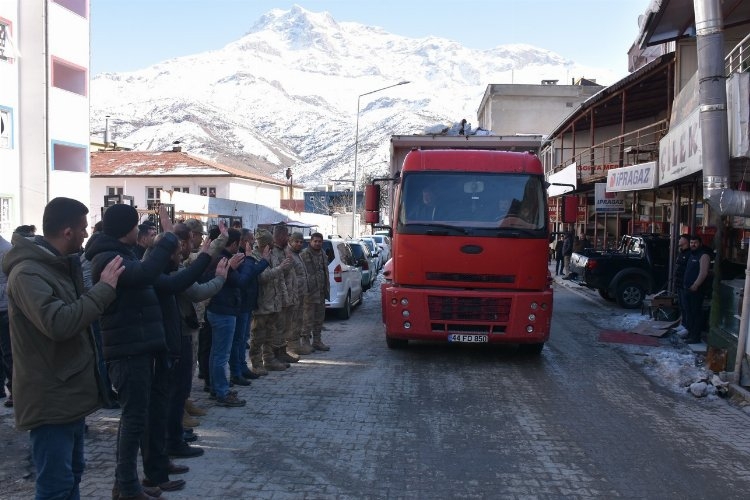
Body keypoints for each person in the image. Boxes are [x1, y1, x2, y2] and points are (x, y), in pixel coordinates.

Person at [3, 197, 125, 500]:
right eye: (83, 229)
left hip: (67, 393)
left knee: (72, 474)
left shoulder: (57, 267)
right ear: (67, 231)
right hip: (49, 397)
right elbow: (59, 323)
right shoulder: (29, 273)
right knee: (55, 484)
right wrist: (104, 290)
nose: (87, 235)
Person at [86, 203, 181, 500]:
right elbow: (145, 275)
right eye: (136, 225)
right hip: (128, 351)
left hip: (137, 346)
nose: (138, 230)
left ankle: (128, 483)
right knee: (133, 420)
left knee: (138, 418)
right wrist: (168, 238)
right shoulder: (107, 257)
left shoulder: (121, 253)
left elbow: (145, 273)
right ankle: (125, 486)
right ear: (127, 229)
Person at [249, 229, 291, 374]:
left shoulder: (272, 255)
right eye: (270, 242)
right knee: (257, 336)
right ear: (264, 244)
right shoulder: (253, 257)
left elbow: (279, 279)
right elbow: (262, 277)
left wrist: (284, 298)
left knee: (270, 335)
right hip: (262, 304)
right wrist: (280, 268)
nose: (273, 244)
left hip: (274, 303)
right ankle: (256, 363)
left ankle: (269, 360)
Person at [300, 232, 331, 351]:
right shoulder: (304, 255)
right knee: (307, 319)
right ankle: (305, 342)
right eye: (315, 241)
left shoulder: (322, 254)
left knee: (319, 319)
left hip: (321, 292)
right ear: (310, 242)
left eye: (320, 242)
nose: (317, 243)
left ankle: (317, 341)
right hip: (309, 293)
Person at [286, 232, 313, 356]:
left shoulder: (298, 255)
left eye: (301, 242)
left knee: (299, 321)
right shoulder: (288, 254)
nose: (299, 244)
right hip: (293, 294)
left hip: (301, 294)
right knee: (292, 322)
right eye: (296, 241)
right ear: (290, 242)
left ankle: (296, 345)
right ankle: (291, 347)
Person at [682, 234, 712, 344]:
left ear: (700, 243)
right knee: (688, 312)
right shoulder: (691, 254)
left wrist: (696, 284)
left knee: (695, 313)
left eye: (695, 243)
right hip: (687, 288)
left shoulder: (703, 255)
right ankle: (690, 333)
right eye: (691, 243)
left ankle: (695, 336)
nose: (692, 245)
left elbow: (703, 273)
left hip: (696, 290)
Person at [0, 233, 12, 406]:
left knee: (8, 351)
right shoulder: (7, 248)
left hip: (4, 308)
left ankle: (14, 390)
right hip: (4, 305)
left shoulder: (6, 249)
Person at [673, 234, 691, 329]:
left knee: (686, 306)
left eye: (681, 239)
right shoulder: (681, 252)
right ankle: (683, 324)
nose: (679, 240)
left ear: (686, 241)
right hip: (679, 283)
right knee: (681, 305)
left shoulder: (689, 254)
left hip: (685, 284)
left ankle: (687, 326)